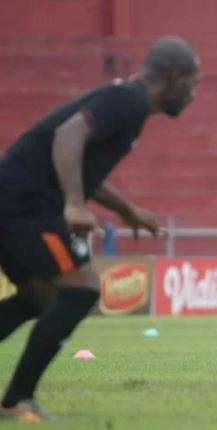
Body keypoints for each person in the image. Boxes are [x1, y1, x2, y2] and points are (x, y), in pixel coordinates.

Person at [0, 36, 200, 422]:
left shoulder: (128, 106)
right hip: (25, 203)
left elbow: (84, 165)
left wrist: (127, 210)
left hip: (15, 198)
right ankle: (16, 400)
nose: (193, 96)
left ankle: (15, 399)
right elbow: (68, 136)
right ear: (174, 78)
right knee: (82, 288)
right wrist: (74, 202)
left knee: (40, 296)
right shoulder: (129, 100)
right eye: (192, 84)